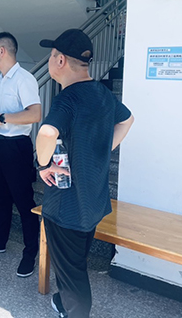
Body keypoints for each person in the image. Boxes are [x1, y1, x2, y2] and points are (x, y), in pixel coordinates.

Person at [35, 29, 134, 318]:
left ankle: (75, 310)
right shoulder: (102, 93)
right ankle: (63, 302)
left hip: (67, 206)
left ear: (61, 60)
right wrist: (102, 150)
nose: (50, 61)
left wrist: (43, 166)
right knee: (75, 260)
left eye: (51, 56)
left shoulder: (68, 98)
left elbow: (46, 133)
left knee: (73, 271)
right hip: (93, 202)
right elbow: (127, 120)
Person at [0, 31, 42, 279]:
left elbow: (35, 114)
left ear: (2, 51)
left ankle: (30, 252)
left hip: (17, 147)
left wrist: (5, 118)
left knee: (24, 202)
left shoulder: (24, 79)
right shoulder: (0, 81)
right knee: (0, 198)